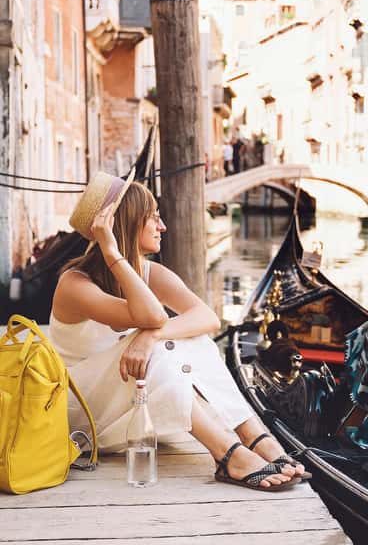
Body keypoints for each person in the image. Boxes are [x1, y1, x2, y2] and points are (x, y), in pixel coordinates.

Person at [49, 171, 308, 491]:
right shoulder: (74, 284)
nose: (163, 227)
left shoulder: (149, 272)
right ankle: (229, 456)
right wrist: (113, 253)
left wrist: (151, 335)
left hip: (128, 408)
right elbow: (152, 315)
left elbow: (207, 317)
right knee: (158, 347)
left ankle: (254, 437)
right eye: (153, 218)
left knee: (193, 339)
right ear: (126, 224)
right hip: (81, 414)